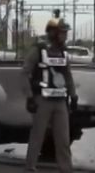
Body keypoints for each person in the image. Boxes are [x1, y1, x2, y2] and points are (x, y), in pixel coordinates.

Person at [23, 15, 77, 173]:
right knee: (37, 136)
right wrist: (29, 97)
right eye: (62, 32)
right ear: (53, 33)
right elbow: (24, 73)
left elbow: (68, 75)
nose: (65, 36)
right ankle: (30, 167)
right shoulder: (39, 50)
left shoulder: (63, 52)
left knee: (63, 139)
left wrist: (73, 96)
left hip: (60, 101)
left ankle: (66, 169)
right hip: (42, 100)